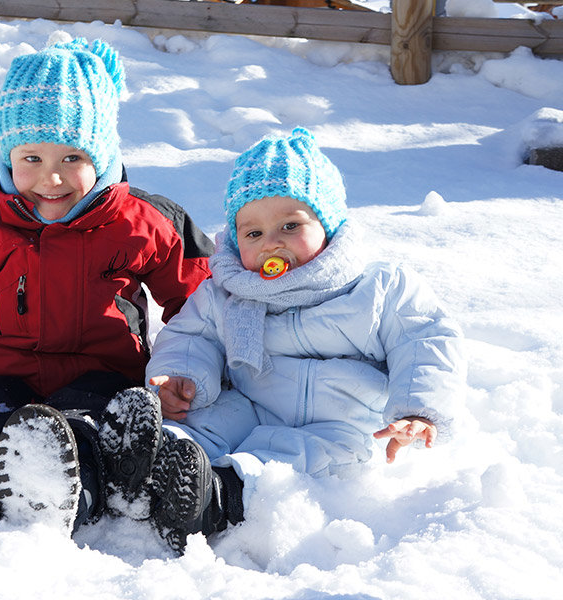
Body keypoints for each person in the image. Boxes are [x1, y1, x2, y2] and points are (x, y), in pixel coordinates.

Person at [0, 37, 215, 566]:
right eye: (32, 157)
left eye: (72, 157)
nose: (50, 178)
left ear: (102, 156)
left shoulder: (147, 221)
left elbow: (202, 305)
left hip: (104, 374)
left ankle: (65, 498)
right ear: (8, 155)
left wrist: (193, 374)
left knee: (79, 435)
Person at [142, 127, 467, 553]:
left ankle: (221, 495)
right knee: (205, 423)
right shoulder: (230, 289)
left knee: (282, 452)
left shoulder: (379, 287)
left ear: (328, 225)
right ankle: (156, 464)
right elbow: (192, 334)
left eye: (290, 225)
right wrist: (182, 378)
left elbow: (426, 340)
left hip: (341, 421)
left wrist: (417, 411)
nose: (271, 243)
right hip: (253, 400)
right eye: (253, 233)